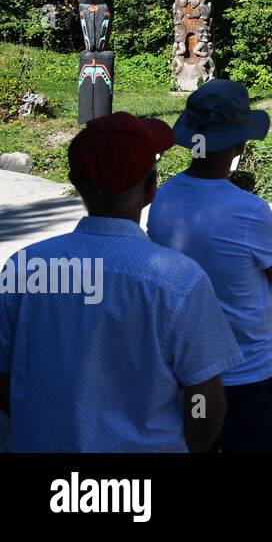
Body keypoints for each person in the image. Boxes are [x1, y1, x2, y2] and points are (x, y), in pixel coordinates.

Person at [0, 113, 242, 452]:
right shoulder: (178, 280)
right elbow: (205, 399)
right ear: (151, 186)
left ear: (75, 182)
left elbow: (4, 376)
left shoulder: (25, 268)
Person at [148, 79, 272, 453]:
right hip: (248, 369)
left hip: (187, 367)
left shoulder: (164, 196)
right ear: (239, 145)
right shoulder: (249, 211)